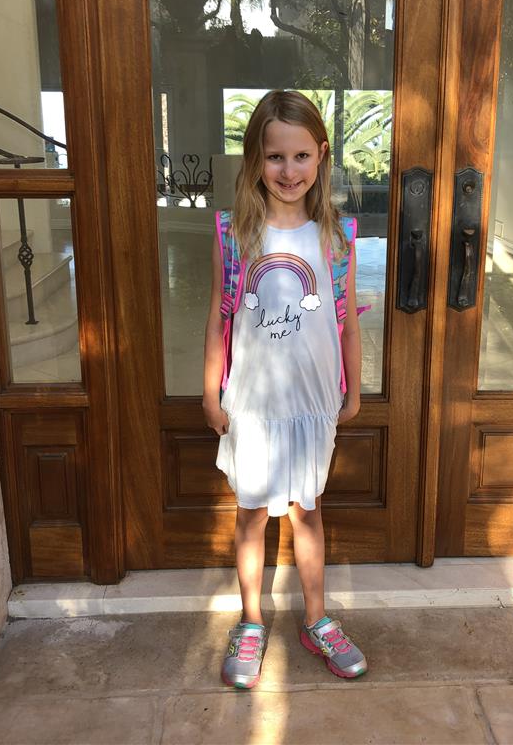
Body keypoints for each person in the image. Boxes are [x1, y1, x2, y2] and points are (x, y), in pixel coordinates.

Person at [202, 90, 368, 689]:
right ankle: (251, 622)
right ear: (256, 159)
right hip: (253, 407)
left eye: (301, 156)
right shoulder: (234, 234)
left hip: (310, 406)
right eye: (275, 157)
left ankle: (316, 620)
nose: (289, 170)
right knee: (250, 516)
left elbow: (347, 322)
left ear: (321, 155)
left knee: (308, 513)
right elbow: (220, 317)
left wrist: (354, 389)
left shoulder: (337, 238)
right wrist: (210, 394)